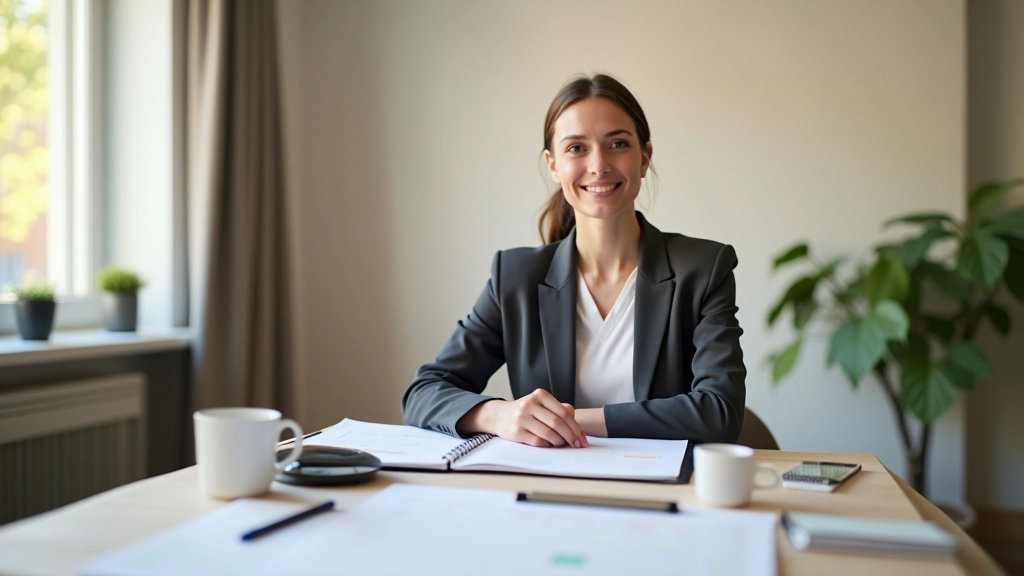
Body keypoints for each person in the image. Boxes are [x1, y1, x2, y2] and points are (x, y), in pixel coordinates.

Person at [401, 74, 746, 449]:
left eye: (617, 143)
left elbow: (719, 412)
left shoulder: (704, 268)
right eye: (577, 148)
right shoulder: (515, 278)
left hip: (664, 492)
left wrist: (568, 421)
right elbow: (423, 393)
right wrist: (500, 414)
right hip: (549, 491)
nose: (598, 165)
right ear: (553, 165)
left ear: (645, 157)